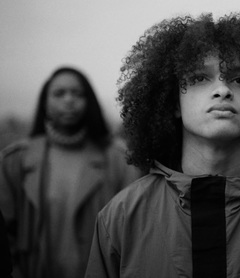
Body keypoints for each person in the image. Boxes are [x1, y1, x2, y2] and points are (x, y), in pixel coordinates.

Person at [85, 12, 240, 277]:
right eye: (199, 78)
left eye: (239, 79)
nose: (223, 90)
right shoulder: (122, 217)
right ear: (173, 103)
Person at [0, 67, 144, 278]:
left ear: (90, 102)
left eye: (78, 93)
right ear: (45, 104)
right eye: (59, 94)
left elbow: (134, 232)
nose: (69, 100)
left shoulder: (119, 160)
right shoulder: (15, 161)